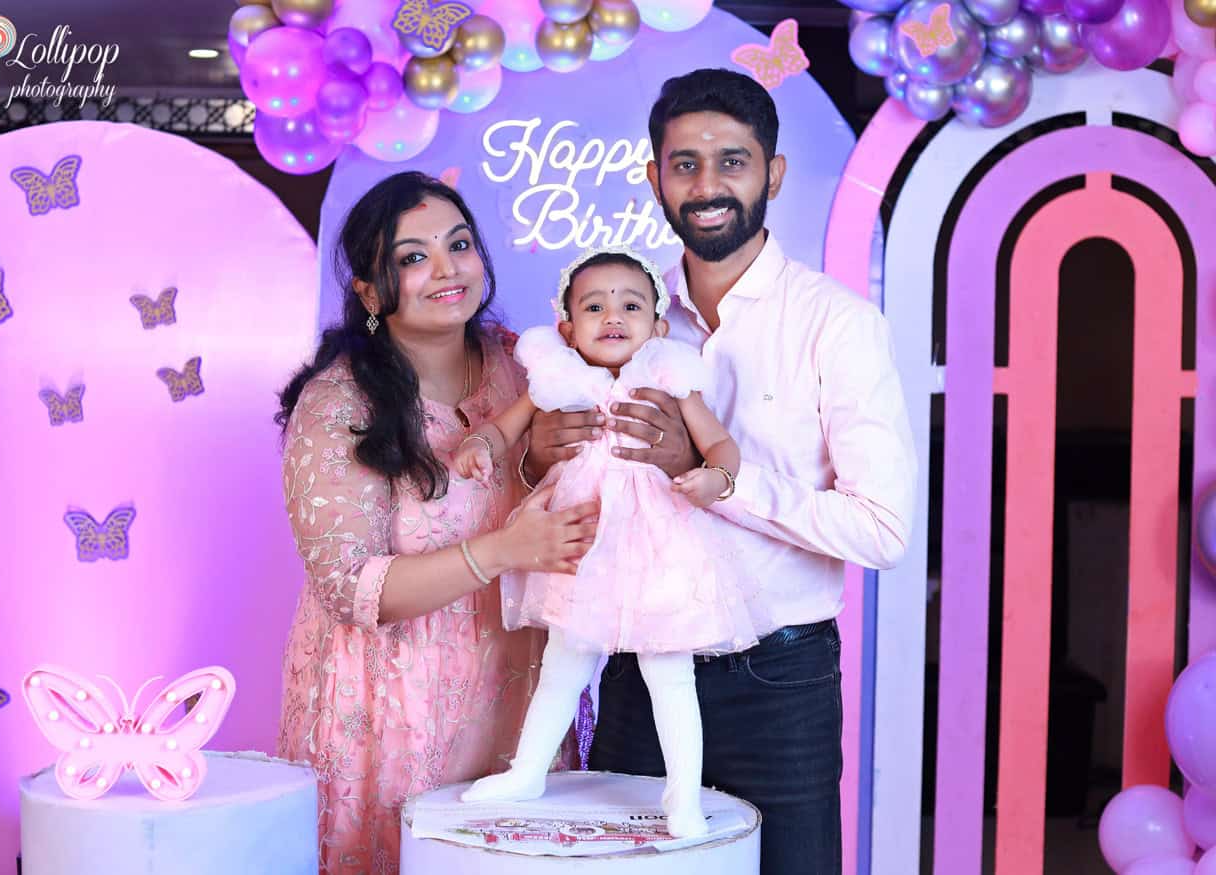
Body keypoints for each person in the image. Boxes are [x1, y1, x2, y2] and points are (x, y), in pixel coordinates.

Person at [522, 69, 918, 875]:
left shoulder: (837, 325)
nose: (708, 185)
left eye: (732, 161)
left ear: (771, 174)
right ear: (654, 178)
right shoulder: (619, 312)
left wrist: (712, 473)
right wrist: (539, 451)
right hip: (636, 662)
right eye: (685, 163)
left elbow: (882, 528)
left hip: (778, 681)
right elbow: (555, 459)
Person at [275, 171, 598, 873]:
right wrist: (504, 549)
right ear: (368, 291)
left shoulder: (527, 367)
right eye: (412, 257)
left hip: (519, 707)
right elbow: (352, 587)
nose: (446, 269)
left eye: (459, 244)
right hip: (388, 723)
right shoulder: (337, 405)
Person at [453, 246, 757, 837]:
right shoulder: (560, 379)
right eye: (594, 306)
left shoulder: (670, 378)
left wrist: (715, 477)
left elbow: (722, 445)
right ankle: (528, 771)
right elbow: (506, 427)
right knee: (564, 663)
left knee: (669, 671)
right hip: (584, 542)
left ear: (658, 325)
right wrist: (481, 446)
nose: (613, 316)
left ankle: (683, 796)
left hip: (658, 541)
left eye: (631, 305)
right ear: (567, 328)